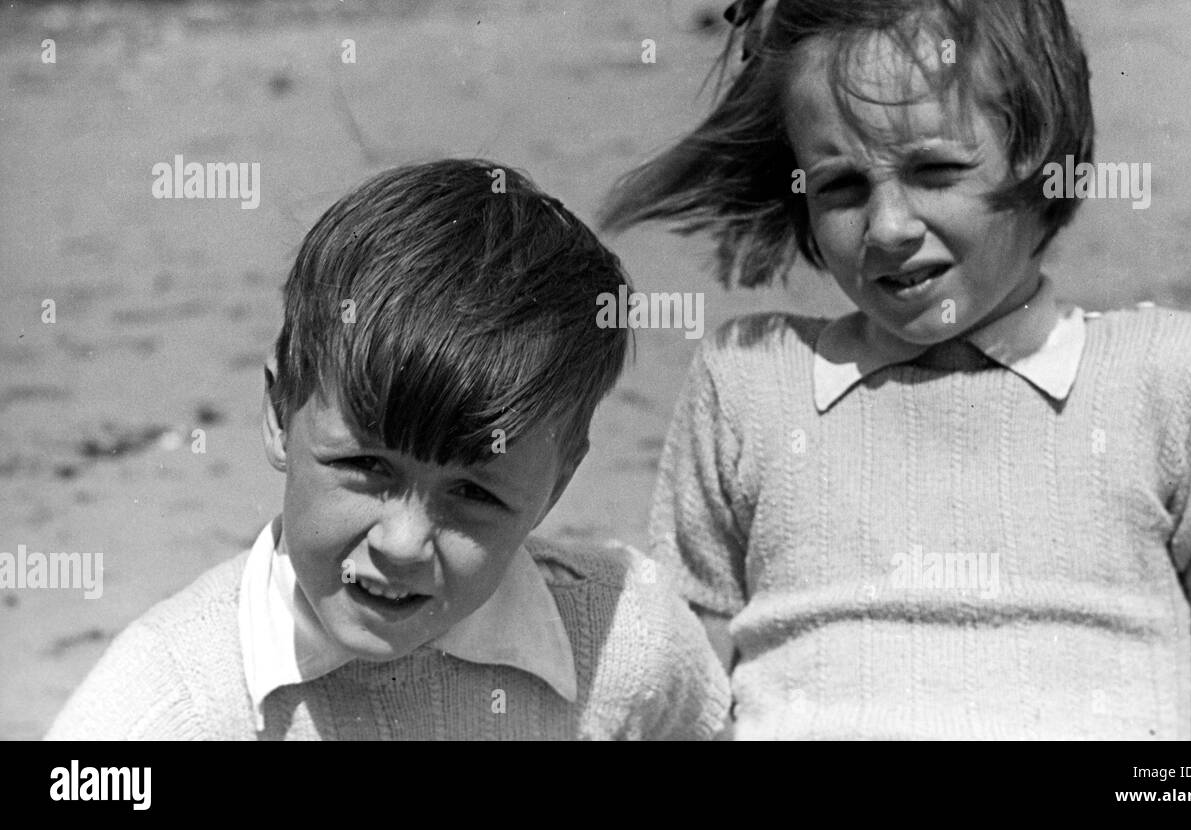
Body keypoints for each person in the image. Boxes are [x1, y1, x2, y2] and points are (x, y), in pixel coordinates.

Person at [602, 0, 1191, 739]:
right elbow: (692, 693)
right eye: (843, 187)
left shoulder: (1174, 384)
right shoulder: (750, 384)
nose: (890, 228)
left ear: (1045, 158)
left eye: (935, 172)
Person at [48, 159, 729, 740]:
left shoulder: (625, 640)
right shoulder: (167, 703)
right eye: (367, 467)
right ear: (281, 411)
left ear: (555, 485)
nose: (403, 544)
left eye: (474, 493)